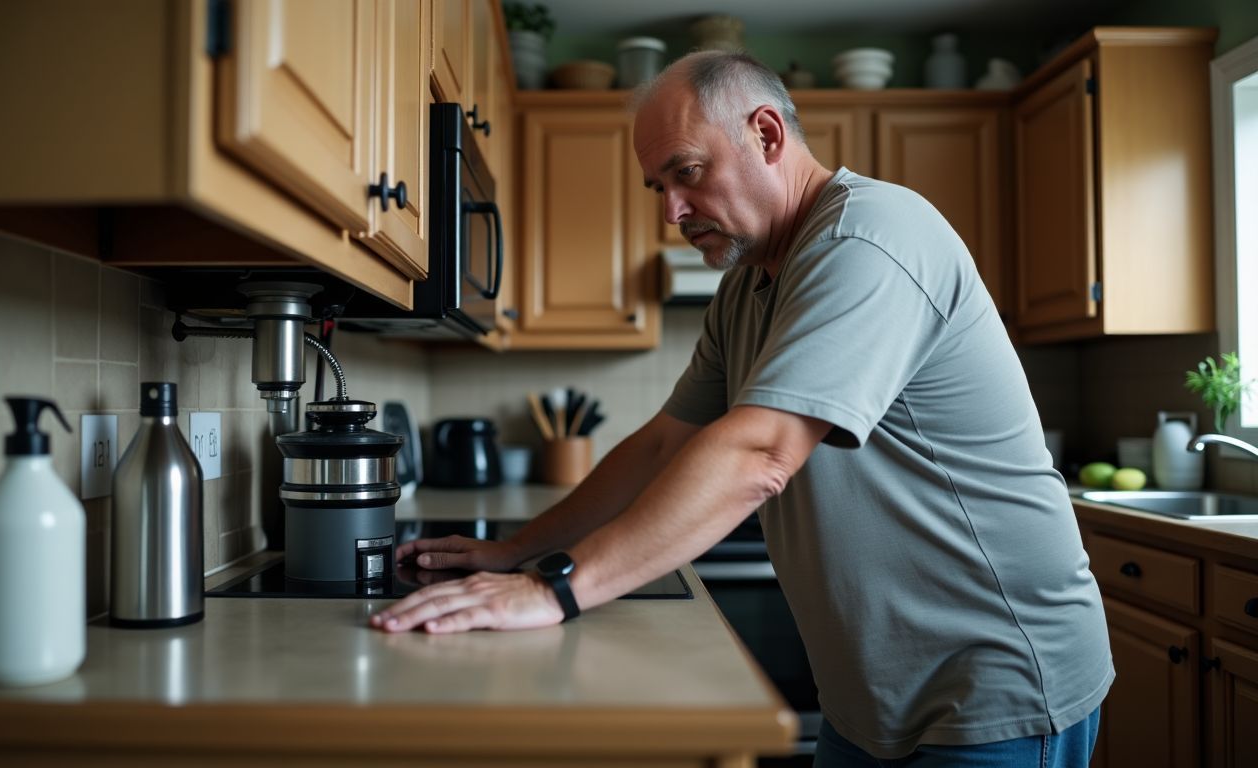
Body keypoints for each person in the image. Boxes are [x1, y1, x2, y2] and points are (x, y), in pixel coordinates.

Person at [371, 51, 1113, 766]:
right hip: (872, 693)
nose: (672, 212)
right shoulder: (748, 287)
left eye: (687, 173)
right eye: (657, 187)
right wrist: (517, 552)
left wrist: (552, 591)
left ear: (765, 134)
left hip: (993, 679)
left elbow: (761, 455)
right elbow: (663, 445)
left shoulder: (871, 238)